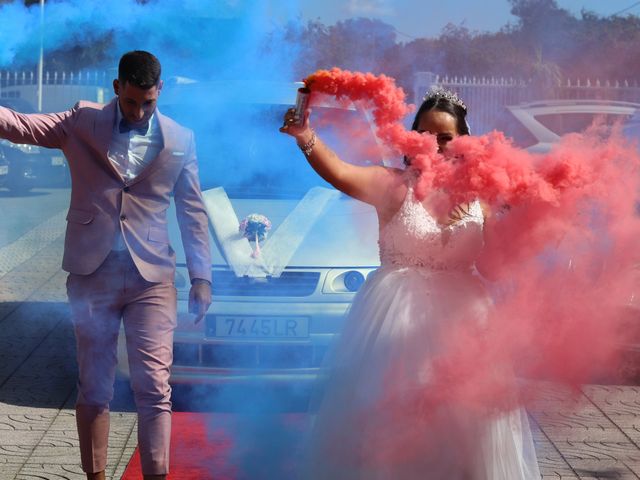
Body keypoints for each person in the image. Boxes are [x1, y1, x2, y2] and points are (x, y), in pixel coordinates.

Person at [280, 88, 540, 478]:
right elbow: (340, 170)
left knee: (466, 429)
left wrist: (509, 216)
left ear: (463, 140)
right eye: (425, 133)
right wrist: (305, 137)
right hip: (394, 326)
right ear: (410, 135)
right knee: (393, 430)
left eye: (445, 137)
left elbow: (498, 264)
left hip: (465, 325)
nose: (433, 145)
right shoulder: (392, 185)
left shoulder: (482, 194)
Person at [0, 51, 212, 480]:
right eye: (132, 101)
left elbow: (193, 210)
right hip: (92, 273)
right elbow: (20, 125)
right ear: (117, 88)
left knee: (154, 387)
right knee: (94, 388)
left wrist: (202, 275)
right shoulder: (82, 121)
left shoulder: (180, 139)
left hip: (151, 278)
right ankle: (95, 475)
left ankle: (157, 475)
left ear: (160, 93)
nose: (138, 111)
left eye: (148, 103)